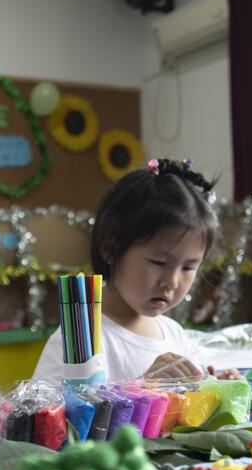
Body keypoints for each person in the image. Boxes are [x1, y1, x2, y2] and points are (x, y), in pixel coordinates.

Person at [32, 158, 236, 385]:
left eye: (188, 267)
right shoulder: (79, 340)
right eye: (159, 262)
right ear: (110, 250)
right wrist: (141, 388)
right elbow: (40, 406)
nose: (172, 282)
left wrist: (218, 388)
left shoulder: (175, 335)